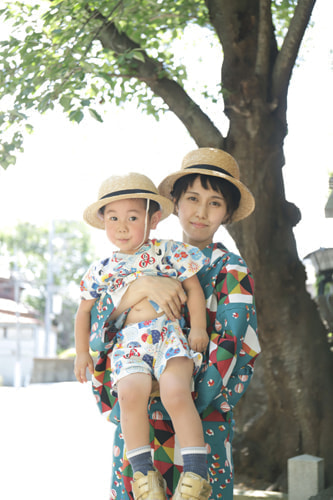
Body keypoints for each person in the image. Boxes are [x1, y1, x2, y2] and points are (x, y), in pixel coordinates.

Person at [90, 148, 261, 500]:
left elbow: (235, 343)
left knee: (195, 490)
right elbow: (98, 329)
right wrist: (138, 288)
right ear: (175, 202)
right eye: (193, 198)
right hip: (138, 411)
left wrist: (182, 397)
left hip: (199, 414)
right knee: (142, 489)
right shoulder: (139, 259)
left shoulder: (232, 270)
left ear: (227, 212)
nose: (200, 212)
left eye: (214, 203)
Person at [74, 172, 212, 500]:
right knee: (130, 396)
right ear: (103, 221)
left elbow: (192, 288)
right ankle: (144, 476)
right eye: (113, 218)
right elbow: (83, 311)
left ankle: (196, 474)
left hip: (168, 335)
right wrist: (83, 352)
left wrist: (200, 327)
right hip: (129, 344)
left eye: (133, 217)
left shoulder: (168, 252)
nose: (122, 226)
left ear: (154, 219)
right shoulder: (102, 268)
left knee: (177, 393)